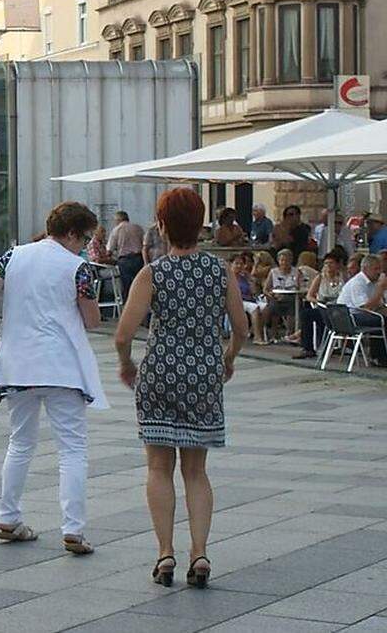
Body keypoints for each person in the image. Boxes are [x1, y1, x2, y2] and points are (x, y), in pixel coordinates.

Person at [114, 187, 247, 590]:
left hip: (159, 375)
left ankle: (165, 553)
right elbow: (240, 328)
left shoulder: (152, 273)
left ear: (161, 226)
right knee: (196, 470)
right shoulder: (219, 271)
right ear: (200, 223)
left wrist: (127, 364)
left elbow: (122, 334)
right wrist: (228, 358)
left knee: (158, 467)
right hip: (204, 375)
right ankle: (200, 552)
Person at [0, 202, 107, 556]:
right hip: (62, 366)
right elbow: (92, 320)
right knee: (72, 449)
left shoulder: (12, 256)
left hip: (18, 365)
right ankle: (74, 530)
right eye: (85, 237)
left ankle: (8, 517)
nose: (85, 245)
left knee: (20, 443)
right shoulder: (78, 267)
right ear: (72, 233)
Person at [336, 253, 387, 366]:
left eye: (380, 268)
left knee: (381, 317)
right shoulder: (358, 283)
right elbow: (365, 307)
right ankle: (379, 357)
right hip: (348, 317)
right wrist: (380, 290)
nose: (379, 272)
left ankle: (379, 355)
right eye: (376, 269)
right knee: (381, 320)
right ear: (365, 269)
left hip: (361, 314)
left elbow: (379, 305)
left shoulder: (373, 282)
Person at [295, 251, 346, 359]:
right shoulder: (320, 278)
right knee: (306, 314)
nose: (328, 266)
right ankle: (307, 348)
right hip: (323, 307)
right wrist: (318, 302)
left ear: (337, 265)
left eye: (331, 263)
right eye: (326, 263)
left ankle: (332, 345)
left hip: (338, 309)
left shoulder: (343, 278)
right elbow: (309, 296)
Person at [262, 248, 304, 342]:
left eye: (286, 260)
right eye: (282, 260)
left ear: (291, 261)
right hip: (276, 297)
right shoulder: (273, 272)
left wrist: (297, 283)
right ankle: (273, 333)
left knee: (292, 305)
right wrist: (270, 295)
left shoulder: (296, 272)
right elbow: (265, 289)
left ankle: (290, 333)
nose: (284, 263)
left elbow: (300, 287)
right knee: (273, 306)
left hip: (291, 297)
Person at [233, 252, 270, 345]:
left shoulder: (244, 277)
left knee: (266, 307)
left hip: (249, 299)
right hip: (237, 300)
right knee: (255, 308)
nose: (239, 266)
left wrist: (250, 280)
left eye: (241, 264)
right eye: (236, 263)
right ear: (231, 264)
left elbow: (253, 291)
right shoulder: (228, 277)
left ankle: (253, 330)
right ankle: (257, 338)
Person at [107, 210, 145, 299]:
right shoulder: (138, 228)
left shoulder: (116, 230)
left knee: (126, 285)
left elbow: (109, 250)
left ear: (118, 220)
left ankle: (128, 306)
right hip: (138, 258)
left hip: (124, 261)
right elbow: (144, 244)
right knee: (139, 283)